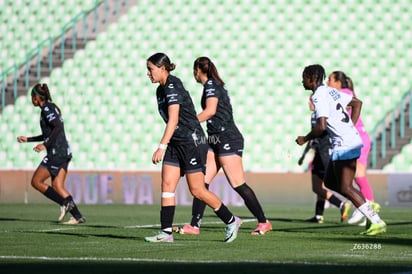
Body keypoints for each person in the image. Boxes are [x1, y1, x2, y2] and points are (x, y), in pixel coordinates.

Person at [144, 53, 241, 243]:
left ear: (162, 68)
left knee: (197, 190)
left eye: (150, 69)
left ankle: (231, 220)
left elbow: (173, 119)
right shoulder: (159, 91)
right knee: (167, 185)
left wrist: (161, 146)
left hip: (191, 142)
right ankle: (166, 233)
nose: (148, 73)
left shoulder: (173, 85)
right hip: (176, 142)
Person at [174, 57, 272, 235]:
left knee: (237, 183)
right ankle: (194, 226)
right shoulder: (212, 85)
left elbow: (210, 111)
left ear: (197, 70)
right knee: (201, 183)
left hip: (227, 137)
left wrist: (190, 123)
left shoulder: (211, 85)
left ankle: (264, 222)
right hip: (215, 139)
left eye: (193, 70)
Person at [296, 64, 386, 236]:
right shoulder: (330, 91)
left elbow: (321, 126)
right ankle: (365, 207)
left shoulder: (318, 96)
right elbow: (357, 103)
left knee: (345, 187)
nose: (302, 81)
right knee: (330, 182)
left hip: (345, 144)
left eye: (304, 77)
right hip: (345, 142)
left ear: (311, 78)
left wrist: (305, 138)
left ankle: (375, 220)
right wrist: (350, 126)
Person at [17, 83, 85, 225]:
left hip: (56, 152)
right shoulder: (50, 107)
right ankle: (77, 216)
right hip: (64, 151)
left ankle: (64, 203)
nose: (31, 100)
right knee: (58, 186)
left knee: (36, 181)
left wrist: (45, 145)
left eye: (32, 97)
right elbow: (49, 132)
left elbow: (58, 127)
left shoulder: (47, 109)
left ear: (36, 97)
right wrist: (28, 139)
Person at [327, 71, 380, 226]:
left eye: (330, 79)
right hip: (354, 138)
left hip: (358, 137)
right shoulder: (342, 93)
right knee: (354, 175)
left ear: (338, 82)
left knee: (358, 173)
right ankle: (366, 207)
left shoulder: (344, 93)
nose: (327, 81)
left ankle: (369, 205)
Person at [298, 95, 350, 224]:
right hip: (318, 153)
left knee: (321, 186)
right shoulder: (314, 116)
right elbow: (313, 137)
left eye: (310, 100)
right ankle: (318, 215)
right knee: (318, 186)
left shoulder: (322, 115)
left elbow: (321, 133)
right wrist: (304, 155)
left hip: (324, 153)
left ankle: (342, 204)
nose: (308, 102)